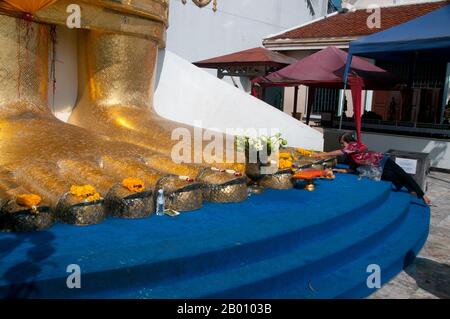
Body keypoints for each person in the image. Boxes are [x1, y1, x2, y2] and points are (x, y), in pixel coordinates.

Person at [312, 132, 431, 205]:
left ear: (349, 142)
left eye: (343, 143)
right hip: (378, 168)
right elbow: (352, 169)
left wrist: (321, 155)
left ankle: (422, 195)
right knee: (397, 178)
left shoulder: (354, 145)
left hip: (383, 161)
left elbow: (340, 152)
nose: (342, 146)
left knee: (403, 175)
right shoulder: (352, 155)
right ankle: (413, 191)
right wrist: (337, 170)